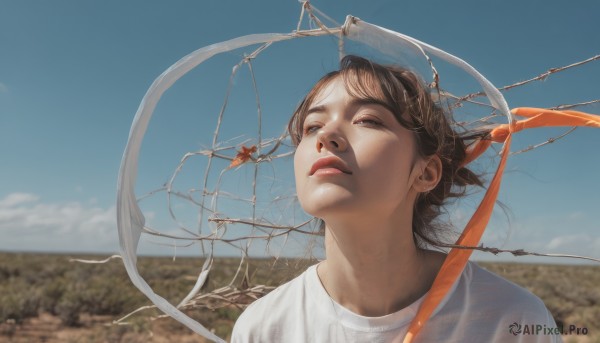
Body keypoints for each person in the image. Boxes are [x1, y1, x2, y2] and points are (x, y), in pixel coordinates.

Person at [230, 55, 561, 342]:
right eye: (312, 126)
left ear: (426, 172)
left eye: (369, 120)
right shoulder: (263, 329)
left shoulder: (512, 321)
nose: (327, 136)